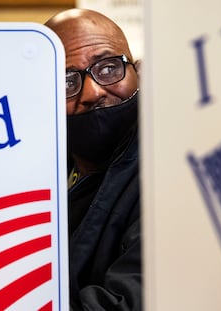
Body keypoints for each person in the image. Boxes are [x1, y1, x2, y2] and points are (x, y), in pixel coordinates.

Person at [45, 8, 142, 311]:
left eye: (108, 68)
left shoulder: (167, 174)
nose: (93, 91)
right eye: (66, 82)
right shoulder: (42, 169)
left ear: (138, 71)